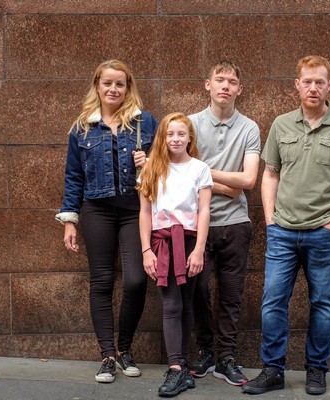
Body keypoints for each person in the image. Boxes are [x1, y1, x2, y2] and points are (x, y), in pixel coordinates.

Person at [242, 55, 330, 396]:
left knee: (322, 304)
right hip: (282, 232)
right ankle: (273, 371)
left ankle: (316, 370)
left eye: (320, 82)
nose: (313, 88)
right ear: (297, 85)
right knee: (272, 302)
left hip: (323, 234)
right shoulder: (282, 124)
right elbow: (270, 173)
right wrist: (270, 219)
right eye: (307, 81)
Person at [55, 59, 158, 383]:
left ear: (128, 88)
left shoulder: (144, 122)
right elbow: (74, 176)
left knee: (136, 281)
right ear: (97, 86)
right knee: (101, 282)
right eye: (107, 83)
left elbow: (169, 163)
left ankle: (125, 348)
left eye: (119, 84)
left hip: (134, 210)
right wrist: (69, 220)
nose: (113, 89)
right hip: (96, 210)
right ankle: (108, 356)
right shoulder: (82, 127)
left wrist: (149, 161)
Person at [188, 60, 261, 386]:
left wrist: (203, 173)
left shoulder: (249, 128)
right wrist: (226, 184)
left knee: (231, 295)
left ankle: (226, 358)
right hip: (195, 223)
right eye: (220, 80)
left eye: (232, 82)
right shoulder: (189, 124)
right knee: (198, 289)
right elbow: (180, 172)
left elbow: (248, 180)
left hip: (235, 223)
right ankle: (205, 351)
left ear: (239, 89)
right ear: (208, 85)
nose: (225, 86)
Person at [138, 112, 212, 397]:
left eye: (181, 134)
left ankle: (181, 367)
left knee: (186, 303)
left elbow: (204, 211)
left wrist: (199, 249)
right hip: (162, 242)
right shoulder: (151, 168)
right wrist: (146, 250)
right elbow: (145, 212)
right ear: (162, 137)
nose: (175, 139)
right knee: (171, 304)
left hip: (190, 241)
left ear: (189, 137)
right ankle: (176, 368)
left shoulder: (200, 169)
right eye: (170, 134)